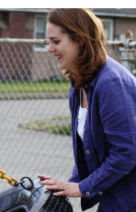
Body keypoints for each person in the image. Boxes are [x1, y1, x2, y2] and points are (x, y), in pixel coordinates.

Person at [38, 9, 136, 212]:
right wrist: (67, 185)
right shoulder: (78, 86)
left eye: (56, 42)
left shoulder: (111, 83)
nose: (50, 48)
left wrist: (82, 188)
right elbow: (90, 150)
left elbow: (126, 154)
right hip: (118, 196)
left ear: (80, 40)